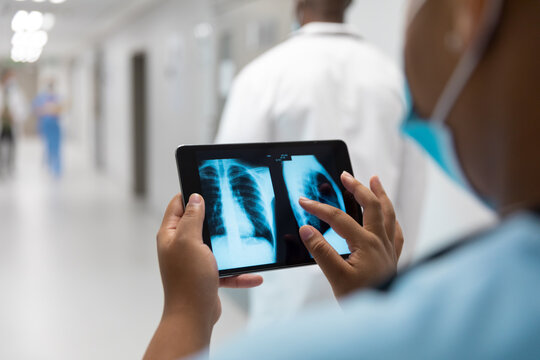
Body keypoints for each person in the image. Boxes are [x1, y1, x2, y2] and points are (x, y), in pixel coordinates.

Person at [145, 0, 540, 358]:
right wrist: (394, 291)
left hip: (290, 316)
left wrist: (185, 310)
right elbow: (406, 205)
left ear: (469, 15)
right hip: (379, 290)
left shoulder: (262, 76)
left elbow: (218, 207)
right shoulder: (389, 76)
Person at [215, 0, 426, 327]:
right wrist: (390, 275)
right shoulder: (395, 81)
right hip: (373, 301)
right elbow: (410, 199)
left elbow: (227, 195)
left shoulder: (262, 76)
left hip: (288, 309)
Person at [0, 69, 28, 177]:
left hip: (12, 124)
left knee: (12, 147)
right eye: (10, 77)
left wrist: (15, 115)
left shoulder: (17, 93)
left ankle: (10, 167)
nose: (11, 80)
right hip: (2, 124)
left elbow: (23, 108)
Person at [33, 80, 63, 177]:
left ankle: (56, 167)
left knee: (56, 147)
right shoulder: (41, 98)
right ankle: (49, 164)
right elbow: (36, 109)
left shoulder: (57, 97)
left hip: (55, 124)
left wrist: (54, 110)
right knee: (49, 146)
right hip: (46, 124)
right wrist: (45, 110)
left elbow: (61, 109)